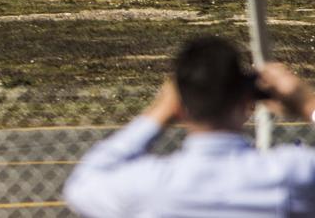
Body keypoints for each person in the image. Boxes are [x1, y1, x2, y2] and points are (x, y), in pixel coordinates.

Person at [65, 35, 315, 217]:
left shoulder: (151, 184)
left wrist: (159, 113)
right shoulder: (288, 174)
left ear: (180, 106)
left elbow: (81, 185)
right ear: (246, 102)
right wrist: (305, 101)